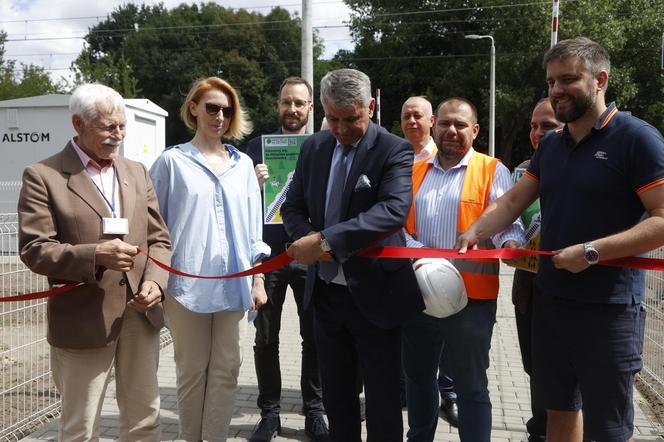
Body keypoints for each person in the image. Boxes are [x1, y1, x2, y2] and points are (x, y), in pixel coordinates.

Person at [456, 37, 664, 442]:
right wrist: (476, 231)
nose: (555, 90)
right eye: (551, 81)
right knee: (559, 412)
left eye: (568, 79)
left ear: (600, 79)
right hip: (551, 303)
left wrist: (592, 252)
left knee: (608, 426)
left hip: (609, 311)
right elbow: (516, 197)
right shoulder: (552, 144)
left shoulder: (637, 139)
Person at [17, 83, 172, 441]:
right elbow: (34, 249)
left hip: (139, 312)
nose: (117, 135)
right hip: (83, 318)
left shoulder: (137, 172)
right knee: (80, 426)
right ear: (78, 124)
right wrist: (95, 255)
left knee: (145, 419)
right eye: (107, 127)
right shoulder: (44, 176)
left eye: (121, 126)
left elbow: (158, 239)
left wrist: (154, 283)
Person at [281, 68, 425, 442]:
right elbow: (292, 206)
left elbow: (392, 210)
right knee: (337, 397)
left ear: (371, 107)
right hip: (326, 296)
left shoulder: (394, 149)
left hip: (377, 294)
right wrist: (309, 241)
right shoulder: (314, 147)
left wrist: (327, 241)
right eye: (333, 119)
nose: (341, 129)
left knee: (381, 401)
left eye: (351, 119)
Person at [149, 76, 270, 442]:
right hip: (186, 287)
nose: (220, 115)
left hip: (235, 285)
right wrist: (153, 278)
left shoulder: (243, 165)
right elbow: (154, 225)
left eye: (227, 109)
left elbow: (254, 228)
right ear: (193, 109)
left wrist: (259, 278)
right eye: (212, 107)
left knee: (227, 370)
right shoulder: (172, 162)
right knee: (191, 372)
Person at [402, 97, 524, 442]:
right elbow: (399, 228)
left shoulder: (491, 170)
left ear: (474, 130)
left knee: (471, 386)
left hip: (471, 301)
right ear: (433, 126)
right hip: (420, 295)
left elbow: (507, 222)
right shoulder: (414, 172)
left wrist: (512, 244)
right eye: (444, 123)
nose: (451, 131)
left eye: (459, 125)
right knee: (419, 377)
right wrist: (420, 252)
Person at [245, 77, 328, 441]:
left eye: (299, 103)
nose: (292, 109)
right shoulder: (256, 148)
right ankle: (270, 414)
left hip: (310, 256)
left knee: (315, 338)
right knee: (265, 339)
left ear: (311, 108)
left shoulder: (326, 146)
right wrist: (254, 184)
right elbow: (241, 205)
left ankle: (315, 412)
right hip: (269, 257)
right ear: (277, 106)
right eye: (286, 102)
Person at [400, 95, 458, 426]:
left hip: (450, 274)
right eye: (406, 116)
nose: (412, 121)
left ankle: (448, 395)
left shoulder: (443, 157)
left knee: (448, 344)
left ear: (431, 120)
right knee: (412, 348)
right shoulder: (394, 155)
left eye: (418, 116)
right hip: (406, 267)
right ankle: (408, 396)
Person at [511, 98, 561, 441]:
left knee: (563, 377)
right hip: (528, 289)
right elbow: (510, 218)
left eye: (548, 125)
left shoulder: (582, 168)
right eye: (533, 126)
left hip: (571, 291)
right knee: (535, 370)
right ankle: (539, 430)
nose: (537, 133)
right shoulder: (521, 172)